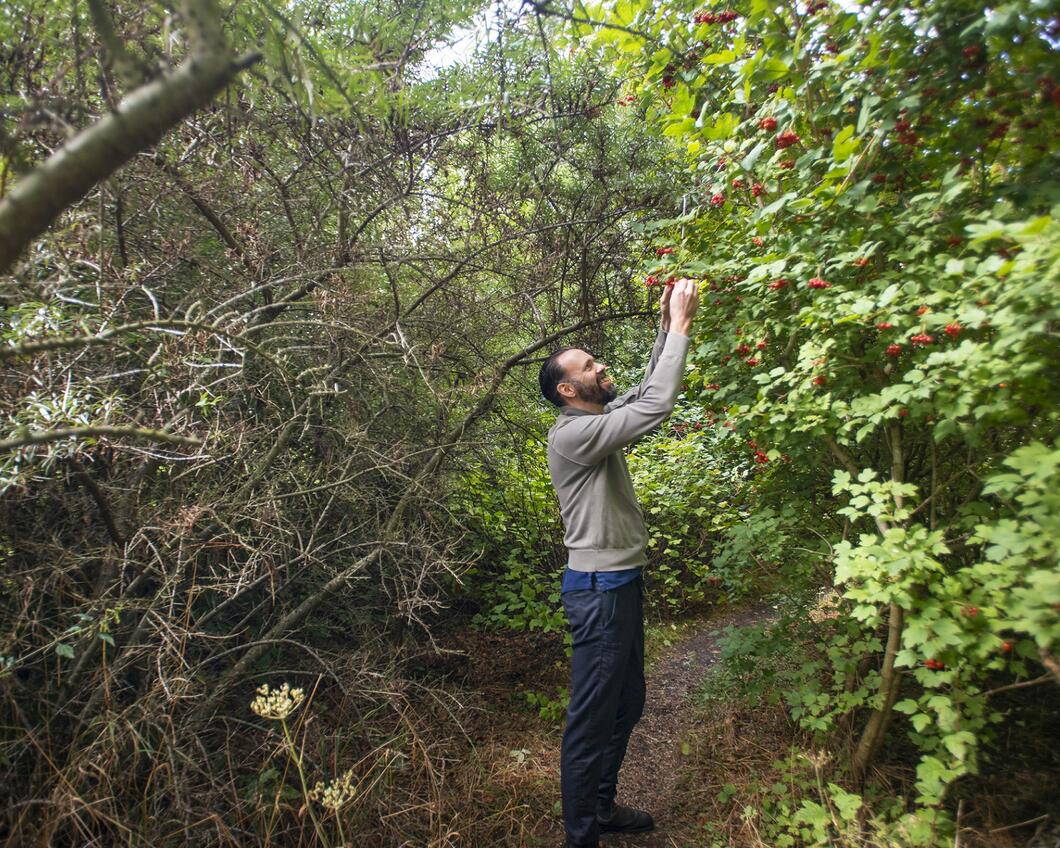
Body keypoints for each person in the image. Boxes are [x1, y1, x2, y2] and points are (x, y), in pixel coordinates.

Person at [537, 278, 700, 848]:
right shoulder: (572, 436)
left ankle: (601, 808)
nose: (600, 366)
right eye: (589, 365)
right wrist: (682, 329)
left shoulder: (596, 423)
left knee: (626, 703)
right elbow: (656, 405)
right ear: (568, 389)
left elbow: (641, 394)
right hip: (599, 590)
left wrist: (666, 325)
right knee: (591, 720)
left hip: (620, 584)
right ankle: (581, 837)